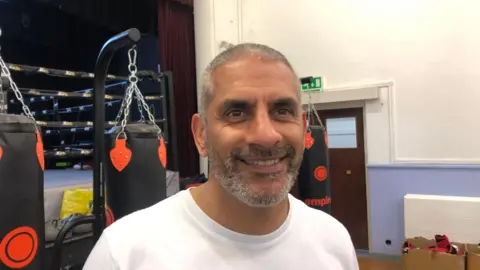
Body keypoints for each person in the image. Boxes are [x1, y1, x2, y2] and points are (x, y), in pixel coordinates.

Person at [83, 43, 359, 270]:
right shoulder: (123, 254)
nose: (266, 135)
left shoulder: (333, 241)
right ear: (201, 134)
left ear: (302, 126)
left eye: (282, 111)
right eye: (236, 112)